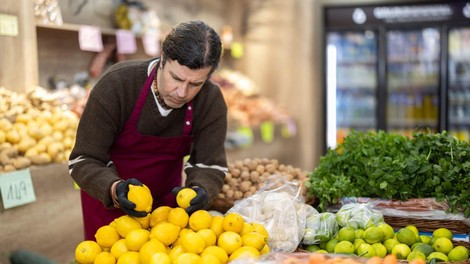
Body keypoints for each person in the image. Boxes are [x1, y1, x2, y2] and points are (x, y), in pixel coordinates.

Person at [68, 20, 228, 240]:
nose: (182, 92)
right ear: (162, 58)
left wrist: (202, 189)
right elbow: (83, 159)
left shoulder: (210, 99)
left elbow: (209, 163)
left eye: (195, 84)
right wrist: (114, 189)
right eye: (176, 78)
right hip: (109, 209)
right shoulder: (117, 85)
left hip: (167, 213)